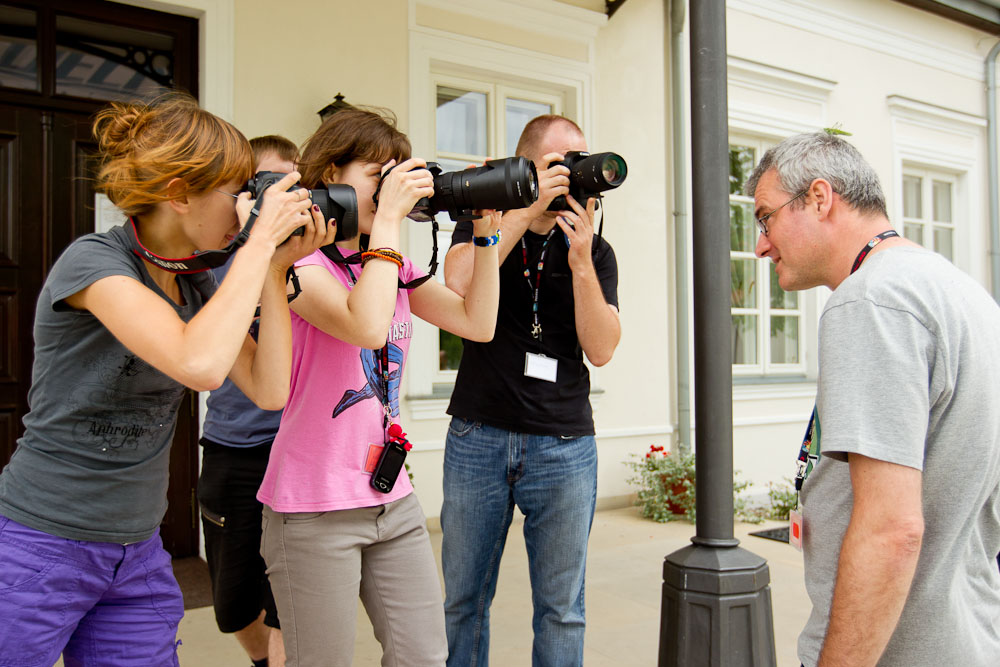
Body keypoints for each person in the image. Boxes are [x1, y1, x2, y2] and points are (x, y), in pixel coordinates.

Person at [0, 93, 333, 665]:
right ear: (178, 193)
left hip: (137, 553)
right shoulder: (93, 263)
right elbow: (197, 363)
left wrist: (276, 269)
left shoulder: (196, 284)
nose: (244, 211)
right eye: (237, 194)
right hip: (43, 542)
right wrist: (256, 246)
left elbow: (269, 389)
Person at [744, 131, 1000, 666]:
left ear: (819, 197)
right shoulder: (962, 292)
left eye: (765, 217)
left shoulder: (871, 300)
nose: (760, 244)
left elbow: (892, 530)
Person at [256, 107, 501, 666]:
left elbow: (477, 324)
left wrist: (485, 236)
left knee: (424, 656)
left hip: (390, 497)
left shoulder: (389, 262)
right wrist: (389, 221)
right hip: (314, 505)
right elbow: (363, 324)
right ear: (330, 174)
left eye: (399, 172)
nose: (393, 186)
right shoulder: (299, 262)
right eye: (377, 173)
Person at [441, 114, 621, 667]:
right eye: (559, 164)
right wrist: (521, 210)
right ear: (528, 167)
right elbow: (461, 283)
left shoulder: (597, 250)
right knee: (464, 600)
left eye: (581, 161)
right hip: (479, 435)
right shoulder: (485, 222)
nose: (574, 176)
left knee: (562, 607)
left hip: (564, 446)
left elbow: (604, 348)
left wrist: (583, 263)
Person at [198, 134, 299, 667]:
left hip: (299, 447)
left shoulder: (310, 253)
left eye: (291, 182)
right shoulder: (211, 260)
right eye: (266, 183)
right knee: (234, 606)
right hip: (232, 448)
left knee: (288, 604)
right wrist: (257, 253)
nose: (279, 195)